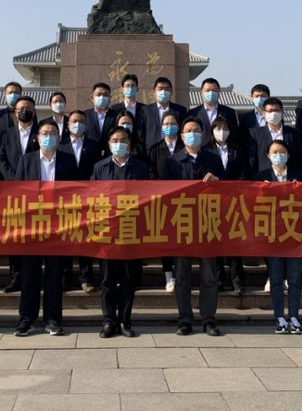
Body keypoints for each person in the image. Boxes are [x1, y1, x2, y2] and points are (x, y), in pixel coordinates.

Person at [13, 120, 78, 336]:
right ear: (37, 137)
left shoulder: (68, 161)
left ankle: (52, 319)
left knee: (54, 275)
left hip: (58, 226)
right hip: (32, 226)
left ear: (59, 138)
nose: (48, 136)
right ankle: (26, 319)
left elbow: (76, 193)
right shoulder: (26, 160)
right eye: (44, 133)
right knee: (29, 274)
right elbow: (18, 192)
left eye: (52, 133)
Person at [165, 116, 226, 336]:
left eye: (196, 130)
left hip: (208, 223)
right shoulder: (172, 161)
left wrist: (217, 183)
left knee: (209, 276)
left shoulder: (213, 160)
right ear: (181, 136)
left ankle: (208, 319)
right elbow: (164, 194)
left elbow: (228, 190)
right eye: (188, 131)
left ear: (203, 134)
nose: (192, 134)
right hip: (182, 224)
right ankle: (184, 319)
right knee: (182, 276)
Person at [92, 126, 149, 338]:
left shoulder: (140, 168)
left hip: (130, 231)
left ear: (129, 143)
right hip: (107, 232)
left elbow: (148, 196)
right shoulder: (99, 167)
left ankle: (125, 321)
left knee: (127, 279)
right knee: (107, 280)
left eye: (123, 140)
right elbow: (91, 197)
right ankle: (108, 321)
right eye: (115, 140)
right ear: (109, 144)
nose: (119, 143)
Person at [254, 139, 302, 334]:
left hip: (294, 234)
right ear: (268, 155)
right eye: (274, 152)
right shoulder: (261, 176)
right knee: (275, 278)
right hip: (272, 235)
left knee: (294, 278)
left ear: (288, 154)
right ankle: (280, 317)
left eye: (282, 152)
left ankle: (294, 316)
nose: (278, 155)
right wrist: (261, 190)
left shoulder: (299, 176)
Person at [0, 95, 39, 293]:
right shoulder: (6, 134)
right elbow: (0, 158)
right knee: (13, 234)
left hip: (35, 192)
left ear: (34, 112)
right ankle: (16, 275)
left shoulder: (42, 132)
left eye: (28, 108)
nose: (24, 111)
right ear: (15, 112)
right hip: (11, 191)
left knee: (33, 234)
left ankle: (32, 275)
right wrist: (15, 179)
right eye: (20, 108)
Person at [58, 109, 101, 293]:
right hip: (65, 199)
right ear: (68, 125)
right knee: (66, 238)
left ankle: (86, 277)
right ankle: (65, 277)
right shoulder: (60, 145)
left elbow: (96, 169)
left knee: (86, 238)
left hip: (87, 197)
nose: (78, 124)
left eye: (81, 121)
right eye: (74, 121)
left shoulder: (94, 145)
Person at [207, 115, 248, 296]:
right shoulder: (206, 151)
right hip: (213, 203)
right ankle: (218, 279)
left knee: (234, 241)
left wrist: (232, 187)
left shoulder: (237, 150)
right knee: (215, 241)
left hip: (234, 201)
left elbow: (244, 173)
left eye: (225, 128)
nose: (221, 132)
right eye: (218, 128)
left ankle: (236, 279)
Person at [148, 109, 182, 292]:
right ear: (161, 127)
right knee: (165, 238)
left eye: (173, 124)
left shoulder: (184, 147)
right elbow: (151, 173)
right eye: (166, 124)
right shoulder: (154, 149)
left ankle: (181, 274)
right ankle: (169, 275)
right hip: (162, 200)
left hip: (183, 200)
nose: (170, 127)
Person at [249, 97, 302, 177]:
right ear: (264, 113)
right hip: (265, 178)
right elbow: (252, 160)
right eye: (270, 111)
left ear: (282, 112)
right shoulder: (255, 133)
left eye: (276, 110)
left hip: (291, 178)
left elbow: (301, 158)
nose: (273, 113)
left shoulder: (294, 133)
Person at [188, 77, 243, 149]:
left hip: (223, 151)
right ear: (201, 93)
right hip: (202, 151)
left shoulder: (229, 112)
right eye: (207, 90)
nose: (211, 93)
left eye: (214, 90)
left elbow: (234, 135)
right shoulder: (193, 113)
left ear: (219, 92)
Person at [141, 76, 187, 151]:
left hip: (176, 151)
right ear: (154, 92)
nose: (163, 91)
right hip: (152, 151)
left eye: (166, 89)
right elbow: (141, 134)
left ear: (171, 92)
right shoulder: (146, 110)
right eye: (160, 89)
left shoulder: (180, 110)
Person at [85, 82, 118, 151]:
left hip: (110, 154)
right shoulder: (85, 115)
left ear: (110, 98)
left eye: (105, 95)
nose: (102, 97)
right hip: (89, 154)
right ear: (92, 98)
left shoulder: (116, 116)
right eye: (98, 95)